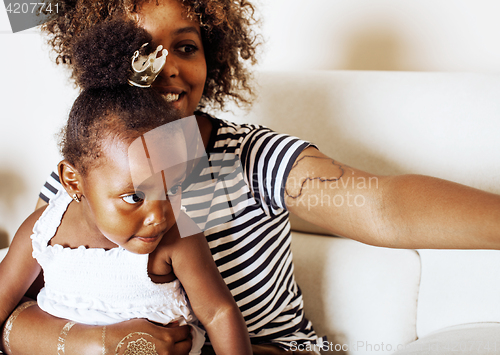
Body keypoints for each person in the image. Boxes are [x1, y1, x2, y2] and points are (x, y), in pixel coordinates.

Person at [3, 0, 500, 354]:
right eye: (145, 50)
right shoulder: (89, 178)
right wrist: (99, 342)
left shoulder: (247, 155)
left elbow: (381, 205)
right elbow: (16, 313)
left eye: (186, 47)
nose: (170, 67)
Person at [0, 18, 251, 355]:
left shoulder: (177, 239)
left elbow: (219, 312)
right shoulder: (42, 230)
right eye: (135, 196)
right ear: (73, 180)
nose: (158, 215)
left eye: (172, 188)